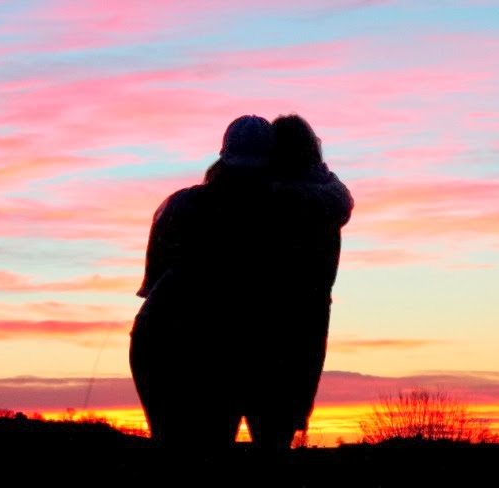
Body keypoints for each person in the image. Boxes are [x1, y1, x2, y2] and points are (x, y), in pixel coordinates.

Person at [129, 113, 352, 450]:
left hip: (182, 340)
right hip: (247, 347)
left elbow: (154, 280)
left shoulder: (192, 203)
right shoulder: (305, 209)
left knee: (188, 451)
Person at [130, 114, 276, 448]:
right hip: (206, 344)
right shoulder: (274, 213)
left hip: (159, 338)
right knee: (205, 452)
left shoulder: (179, 203)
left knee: (177, 449)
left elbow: (152, 282)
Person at [240, 114, 353, 449]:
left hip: (257, 317)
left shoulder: (262, 199)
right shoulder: (330, 198)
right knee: (278, 430)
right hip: (309, 321)